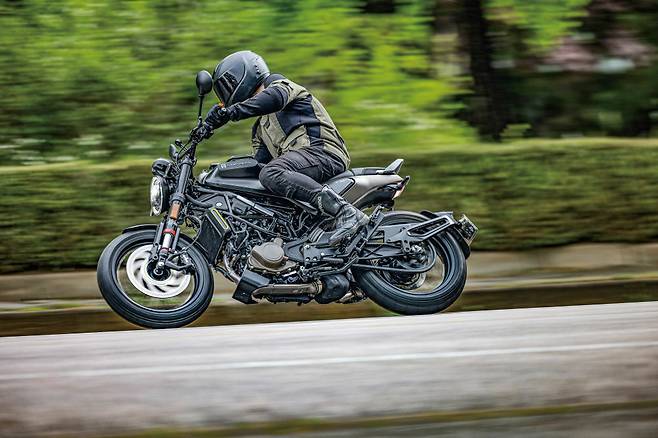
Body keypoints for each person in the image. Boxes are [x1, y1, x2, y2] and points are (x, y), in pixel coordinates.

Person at [197, 50, 368, 246]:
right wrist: (221, 173)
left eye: (226, 86)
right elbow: (258, 168)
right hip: (304, 164)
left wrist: (230, 113)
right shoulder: (260, 128)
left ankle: (345, 211)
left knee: (272, 173)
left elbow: (272, 99)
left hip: (323, 151)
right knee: (263, 183)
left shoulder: (279, 85)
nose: (225, 93)